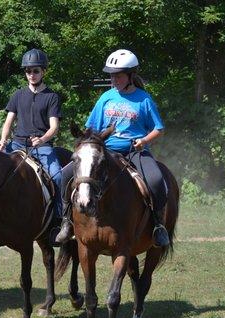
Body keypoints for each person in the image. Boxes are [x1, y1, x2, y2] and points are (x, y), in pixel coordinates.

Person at [55, 49, 170, 247]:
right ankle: (66, 222)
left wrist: (143, 141)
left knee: (156, 180)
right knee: (65, 175)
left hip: (135, 151)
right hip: (106, 152)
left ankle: (158, 225)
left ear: (130, 75)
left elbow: (158, 128)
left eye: (118, 75)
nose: (113, 79)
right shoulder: (106, 98)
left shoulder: (143, 99)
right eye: (111, 75)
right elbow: (91, 127)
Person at [0, 48, 63, 221]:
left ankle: (59, 218)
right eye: (28, 71)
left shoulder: (52, 96)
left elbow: (54, 127)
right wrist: (3, 140)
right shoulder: (18, 95)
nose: (31, 75)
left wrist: (42, 139)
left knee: (57, 175)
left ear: (44, 72)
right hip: (17, 144)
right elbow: (8, 121)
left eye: (35, 71)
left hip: (42, 147)